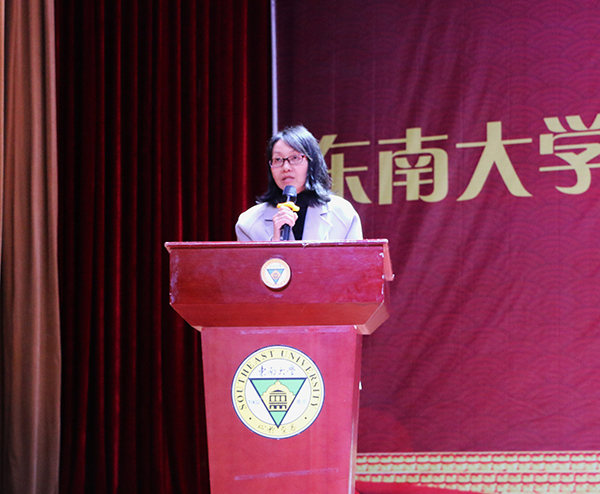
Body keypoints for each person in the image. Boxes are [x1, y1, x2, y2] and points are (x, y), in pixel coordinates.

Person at [235, 125, 363, 241]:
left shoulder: (342, 214)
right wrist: (275, 242)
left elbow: (356, 259)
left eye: (295, 158)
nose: (286, 167)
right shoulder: (248, 223)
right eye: (278, 159)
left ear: (312, 162)